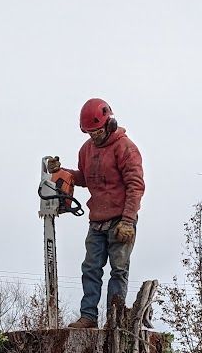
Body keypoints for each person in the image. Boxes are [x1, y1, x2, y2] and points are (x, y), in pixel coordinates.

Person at [47, 98, 145, 329]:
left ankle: (115, 320)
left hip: (121, 219)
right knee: (90, 268)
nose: (94, 136)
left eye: (97, 131)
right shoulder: (86, 150)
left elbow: (135, 185)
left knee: (118, 270)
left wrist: (128, 221)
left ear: (109, 123)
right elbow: (85, 177)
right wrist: (62, 172)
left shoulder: (126, 148)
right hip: (97, 221)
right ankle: (88, 316)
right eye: (89, 132)